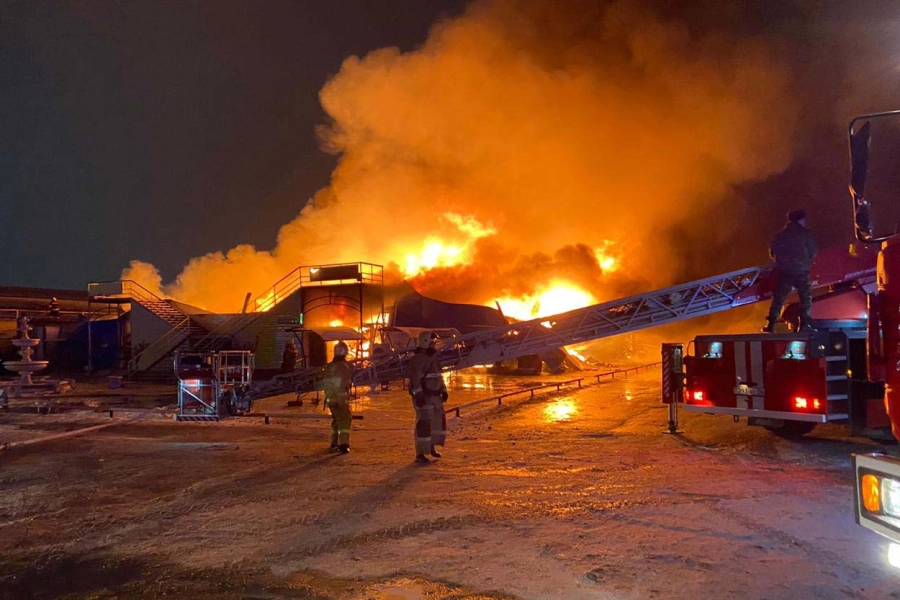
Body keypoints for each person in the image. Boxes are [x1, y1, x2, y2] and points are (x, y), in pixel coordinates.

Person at [763, 209, 818, 333]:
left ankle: (771, 324)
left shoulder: (780, 235)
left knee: (779, 298)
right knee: (805, 298)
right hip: (801, 272)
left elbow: (772, 253)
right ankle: (804, 325)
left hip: (784, 272)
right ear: (801, 219)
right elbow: (813, 251)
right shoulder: (805, 234)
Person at [406, 331, 448, 463]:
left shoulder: (434, 358)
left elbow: (439, 376)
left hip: (435, 397)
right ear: (425, 343)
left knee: (436, 423)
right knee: (423, 424)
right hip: (425, 396)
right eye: (431, 343)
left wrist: (444, 390)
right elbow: (415, 379)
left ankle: (431, 447)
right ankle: (420, 453)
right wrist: (418, 395)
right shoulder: (417, 360)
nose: (433, 346)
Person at [323, 341, 354, 454]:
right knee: (345, 420)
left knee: (337, 420)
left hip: (331, 398)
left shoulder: (330, 366)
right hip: (340, 399)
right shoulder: (343, 367)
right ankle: (343, 445)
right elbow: (341, 384)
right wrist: (341, 400)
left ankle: (334, 443)